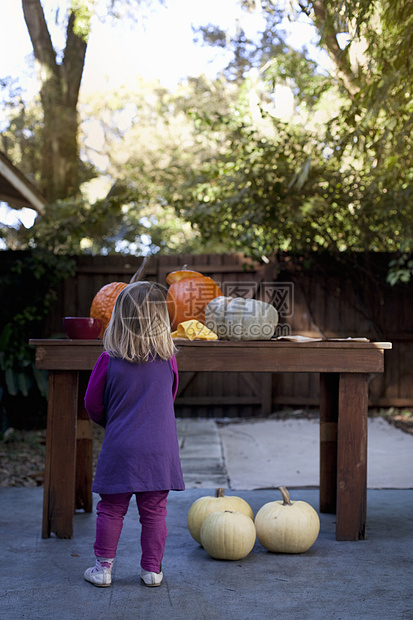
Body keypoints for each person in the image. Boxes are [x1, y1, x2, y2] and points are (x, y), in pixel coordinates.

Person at [83, 281, 185, 588]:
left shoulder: (108, 360)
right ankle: (152, 570)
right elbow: (170, 397)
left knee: (112, 508)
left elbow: (92, 403)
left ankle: (103, 569)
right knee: (154, 511)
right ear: (162, 321)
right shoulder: (168, 361)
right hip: (160, 449)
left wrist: (115, 423)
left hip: (121, 446)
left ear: (118, 317)